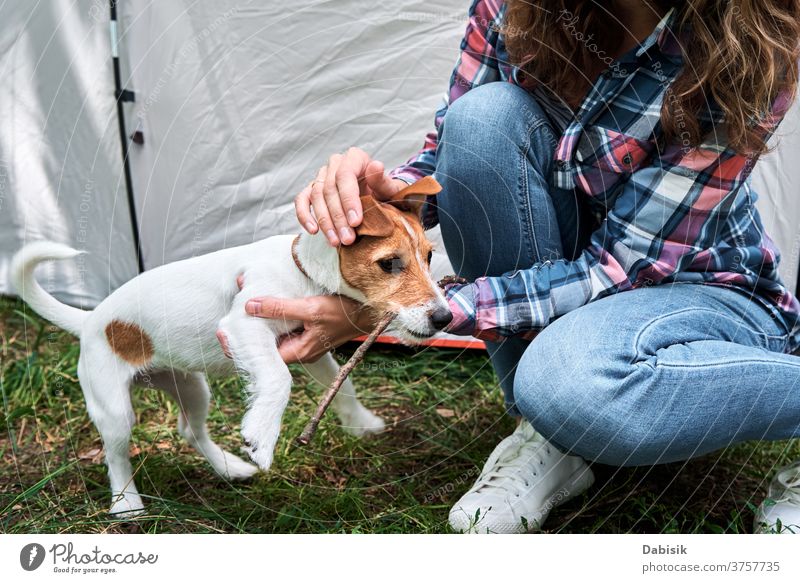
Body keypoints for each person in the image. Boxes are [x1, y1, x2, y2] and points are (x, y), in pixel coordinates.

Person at [242, 0, 800, 533]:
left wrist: (400, 312)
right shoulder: (520, 8)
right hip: (591, 282)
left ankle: (568, 399)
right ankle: (549, 433)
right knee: (481, 118)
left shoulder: (750, 48)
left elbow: (618, 269)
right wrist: (390, 195)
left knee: (565, 382)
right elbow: (457, 156)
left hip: (702, 289)